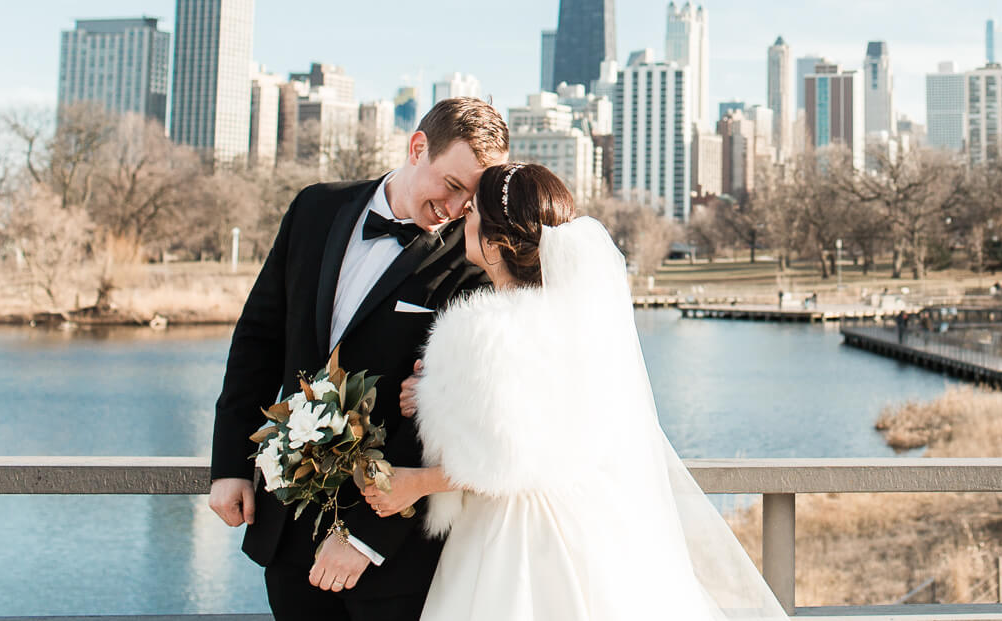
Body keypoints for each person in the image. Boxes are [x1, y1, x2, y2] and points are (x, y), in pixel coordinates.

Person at [364, 162, 787, 621]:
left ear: (494, 241)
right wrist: (435, 391)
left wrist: (413, 483)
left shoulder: (484, 329)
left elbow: (501, 460)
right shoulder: (580, 322)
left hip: (514, 538)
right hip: (591, 524)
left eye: (473, 212)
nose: (462, 217)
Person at [206, 96, 511, 621]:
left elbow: (448, 416)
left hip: (393, 552)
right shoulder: (314, 208)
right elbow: (258, 338)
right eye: (453, 185)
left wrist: (366, 539)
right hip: (287, 525)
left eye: (472, 196)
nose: (460, 207)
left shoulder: (474, 264)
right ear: (418, 147)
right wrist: (230, 464)